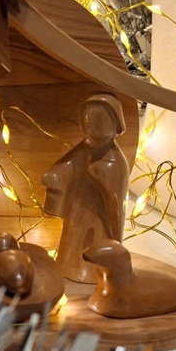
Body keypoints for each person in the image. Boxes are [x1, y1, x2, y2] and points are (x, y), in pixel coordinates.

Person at [42, 93, 130, 283]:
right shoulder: (84, 148)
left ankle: (96, 271)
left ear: (115, 123)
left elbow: (114, 206)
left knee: (94, 243)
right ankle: (69, 265)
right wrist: (55, 176)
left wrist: (116, 243)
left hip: (99, 221)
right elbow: (66, 166)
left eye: (101, 120)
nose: (94, 126)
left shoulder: (115, 161)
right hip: (77, 213)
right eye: (89, 120)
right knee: (73, 239)